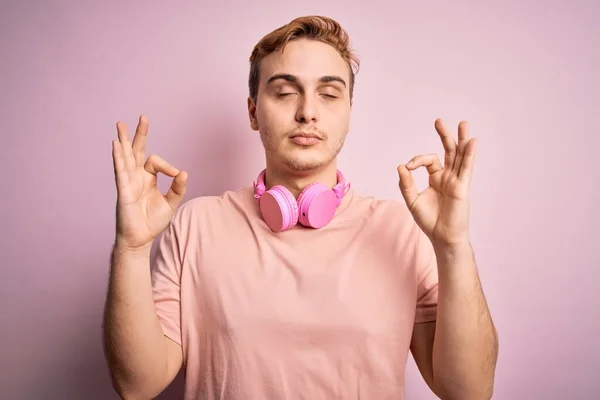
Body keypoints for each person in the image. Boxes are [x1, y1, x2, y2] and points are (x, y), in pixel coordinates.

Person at [102, 15, 498, 400]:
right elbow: (138, 385)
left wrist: (453, 247)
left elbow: (469, 392)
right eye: (285, 91)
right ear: (253, 112)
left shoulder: (400, 230)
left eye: (328, 94)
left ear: (348, 113)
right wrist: (132, 248)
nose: (308, 111)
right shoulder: (196, 224)